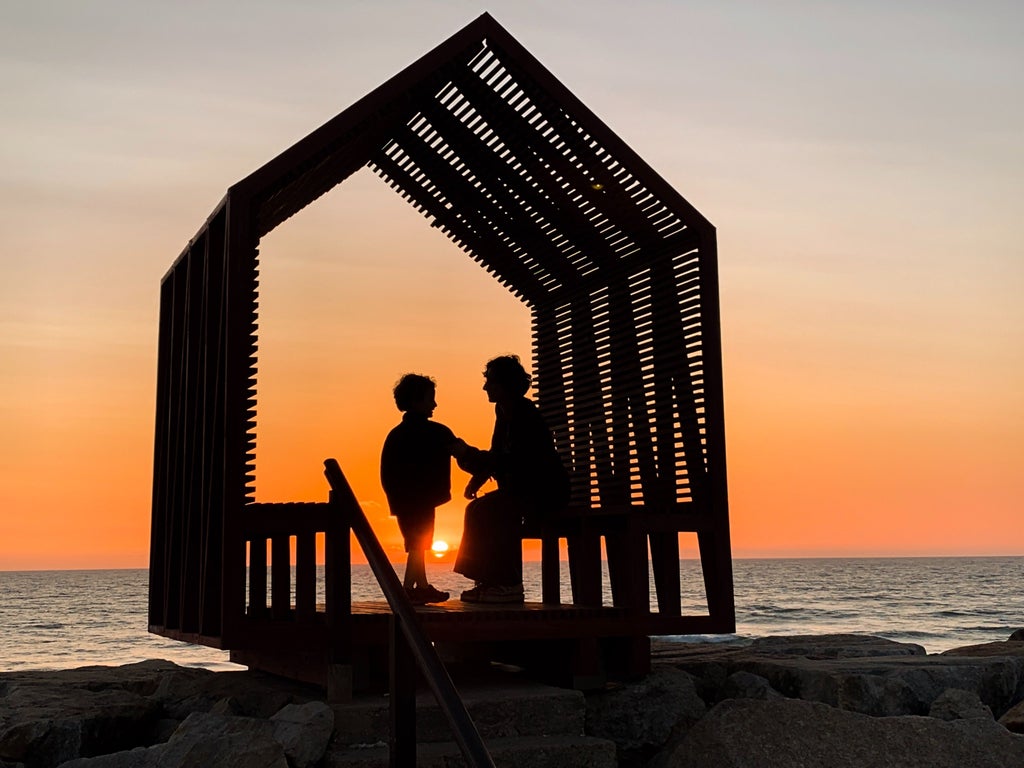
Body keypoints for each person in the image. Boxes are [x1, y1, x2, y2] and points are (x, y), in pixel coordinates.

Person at [453, 355, 570, 603]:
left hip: (543, 492)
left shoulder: (525, 414)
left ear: (506, 384)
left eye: (490, 382)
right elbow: (498, 453)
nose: (485, 387)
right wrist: (477, 479)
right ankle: (488, 580)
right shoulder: (503, 411)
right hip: (521, 490)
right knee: (475, 508)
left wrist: (470, 456)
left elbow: (516, 459)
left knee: (491, 511)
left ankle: (509, 583)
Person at [381, 373, 466, 605]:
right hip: (421, 497)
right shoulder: (437, 432)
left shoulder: (396, 435)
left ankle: (421, 585)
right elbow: (462, 454)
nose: (435, 404)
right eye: (431, 399)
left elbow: (386, 472)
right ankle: (408, 588)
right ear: (417, 401)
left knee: (417, 542)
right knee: (419, 541)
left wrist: (394, 497)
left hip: (403, 498)